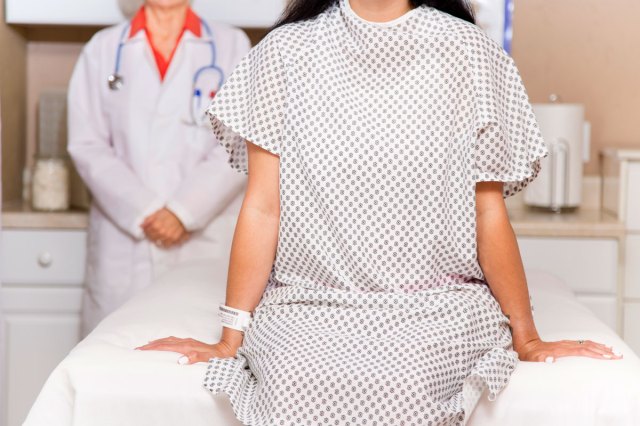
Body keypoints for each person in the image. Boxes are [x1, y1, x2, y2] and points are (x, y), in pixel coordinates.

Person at [139, 0, 623, 424]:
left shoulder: (468, 52)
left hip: (438, 305)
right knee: (295, 382)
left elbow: (487, 212)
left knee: (403, 384)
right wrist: (230, 338)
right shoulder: (284, 53)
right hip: (310, 301)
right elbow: (264, 208)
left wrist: (528, 337)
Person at [68, 0, 250, 335]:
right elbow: (87, 144)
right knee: (114, 359)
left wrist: (183, 211)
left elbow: (239, 142)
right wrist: (147, 209)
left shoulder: (232, 46)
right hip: (126, 240)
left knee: (195, 364)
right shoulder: (103, 49)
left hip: (204, 237)